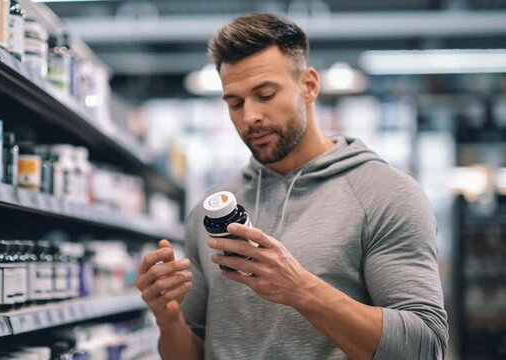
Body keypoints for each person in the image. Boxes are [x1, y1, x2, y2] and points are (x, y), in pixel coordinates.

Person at [135, 13, 448, 360]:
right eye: (235, 103)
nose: (249, 116)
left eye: (265, 94)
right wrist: (168, 319)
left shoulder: (386, 194)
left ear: (309, 86)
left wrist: (301, 290)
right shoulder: (209, 214)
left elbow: (425, 347)